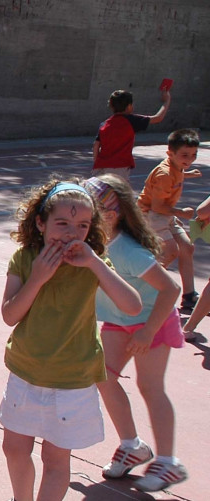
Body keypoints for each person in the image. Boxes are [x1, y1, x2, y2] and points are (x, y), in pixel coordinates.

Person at [0, 178, 141, 501]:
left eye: (82, 225)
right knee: (14, 448)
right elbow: (9, 315)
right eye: (61, 223)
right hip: (26, 373)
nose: (71, 233)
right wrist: (37, 277)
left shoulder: (92, 264)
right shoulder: (24, 257)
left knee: (56, 459)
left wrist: (93, 262)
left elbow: (132, 305)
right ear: (40, 222)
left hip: (73, 380)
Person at [82, 175, 189, 493]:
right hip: (119, 319)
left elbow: (171, 288)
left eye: (85, 210)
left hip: (152, 321)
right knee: (102, 375)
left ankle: (168, 463)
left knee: (150, 387)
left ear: (110, 214)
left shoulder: (126, 249)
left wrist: (148, 332)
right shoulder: (94, 244)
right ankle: (133, 446)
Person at [136, 129, 201, 311]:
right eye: (185, 155)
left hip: (165, 214)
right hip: (151, 214)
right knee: (170, 251)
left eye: (194, 155)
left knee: (187, 247)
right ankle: (144, 289)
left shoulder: (177, 167)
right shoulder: (164, 174)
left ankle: (189, 296)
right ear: (170, 153)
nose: (189, 159)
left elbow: (176, 174)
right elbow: (157, 207)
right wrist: (181, 212)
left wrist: (187, 174)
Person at [92, 88, 172, 180]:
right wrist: (167, 101)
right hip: (119, 166)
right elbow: (158, 118)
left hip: (100, 166)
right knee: (117, 192)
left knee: (99, 191)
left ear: (111, 106)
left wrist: (97, 161)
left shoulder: (104, 124)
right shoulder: (131, 120)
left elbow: (96, 145)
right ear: (129, 106)